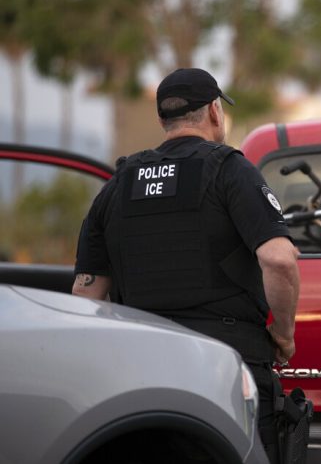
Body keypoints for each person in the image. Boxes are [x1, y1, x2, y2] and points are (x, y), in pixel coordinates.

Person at [72, 67, 300, 462]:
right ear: (215, 111)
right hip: (226, 363)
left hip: (141, 366)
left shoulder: (119, 183)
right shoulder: (230, 170)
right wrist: (284, 334)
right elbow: (279, 260)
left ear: (163, 120)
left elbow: (86, 293)